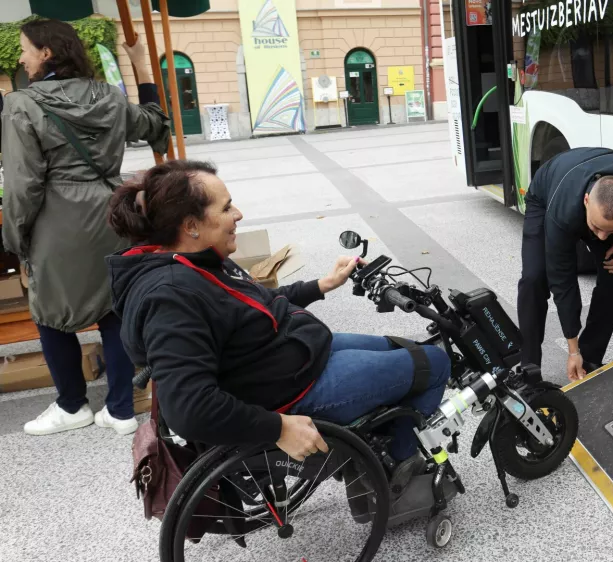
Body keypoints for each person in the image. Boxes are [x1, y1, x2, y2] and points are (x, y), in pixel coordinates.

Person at [105, 159, 450, 493]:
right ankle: (394, 473)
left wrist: (322, 285)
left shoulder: (189, 259)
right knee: (434, 363)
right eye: (226, 209)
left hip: (292, 358)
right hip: (290, 391)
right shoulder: (171, 296)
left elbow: (252, 304)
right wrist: (278, 427)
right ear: (191, 225)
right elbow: (188, 408)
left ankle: (369, 447)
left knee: (405, 348)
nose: (238, 215)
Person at [2, 19, 170, 436]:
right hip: (114, 215)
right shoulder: (108, 98)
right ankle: (118, 410)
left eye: (25, 48)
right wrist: (142, 67)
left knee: (47, 311)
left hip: (58, 221)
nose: (20, 57)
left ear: (46, 53)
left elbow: (23, 184)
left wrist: (14, 241)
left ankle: (72, 404)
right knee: (112, 307)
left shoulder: (23, 104)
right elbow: (155, 125)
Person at [517, 147, 613, 381]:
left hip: (593, 187)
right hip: (546, 194)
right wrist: (572, 348)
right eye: (596, 228)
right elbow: (562, 280)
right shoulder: (563, 213)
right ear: (587, 201)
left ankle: (589, 360)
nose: (600, 238)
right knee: (535, 278)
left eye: (611, 230)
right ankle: (528, 369)